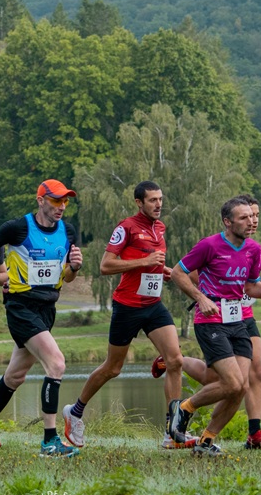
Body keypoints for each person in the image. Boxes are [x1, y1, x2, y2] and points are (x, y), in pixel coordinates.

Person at [63, 181, 193, 450]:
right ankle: (74, 412)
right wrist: (145, 262)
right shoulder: (126, 228)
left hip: (153, 305)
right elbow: (105, 265)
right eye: (152, 200)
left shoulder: (160, 228)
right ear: (139, 202)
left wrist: (162, 271)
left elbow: (150, 263)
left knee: (175, 360)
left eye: (160, 199)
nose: (158, 204)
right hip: (128, 306)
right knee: (113, 368)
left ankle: (172, 431)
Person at [0, 179, 84, 458]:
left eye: (65, 201)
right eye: (56, 200)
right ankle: (49, 440)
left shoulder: (67, 231)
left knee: (15, 376)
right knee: (56, 363)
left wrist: (74, 267)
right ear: (41, 200)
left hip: (47, 308)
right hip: (21, 307)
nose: (62, 206)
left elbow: (67, 277)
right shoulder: (19, 227)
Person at [151, 193, 261, 450]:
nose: (251, 221)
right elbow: (178, 272)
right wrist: (201, 297)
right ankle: (184, 408)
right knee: (232, 382)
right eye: (244, 217)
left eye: (253, 216)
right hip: (210, 322)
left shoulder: (254, 249)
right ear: (228, 222)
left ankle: (206, 440)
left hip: (238, 321)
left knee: (240, 387)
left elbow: (250, 287)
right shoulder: (209, 245)